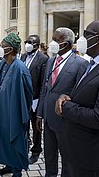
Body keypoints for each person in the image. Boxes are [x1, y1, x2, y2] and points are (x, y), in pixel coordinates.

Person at [56, 20, 99, 177]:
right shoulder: (92, 64)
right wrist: (64, 97)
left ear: (98, 39)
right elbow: (81, 97)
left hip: (86, 154)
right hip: (73, 148)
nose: (81, 39)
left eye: (86, 34)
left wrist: (66, 107)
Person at [36, 27, 88, 177]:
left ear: (65, 43)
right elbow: (45, 90)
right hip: (48, 119)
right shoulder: (51, 61)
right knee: (49, 155)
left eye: (56, 40)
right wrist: (40, 114)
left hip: (66, 121)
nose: (52, 42)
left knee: (67, 159)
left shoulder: (80, 63)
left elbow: (80, 95)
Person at [0, 33, 33, 177]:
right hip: (2, 109)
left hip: (14, 112)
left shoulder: (20, 68)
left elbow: (28, 93)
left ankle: (17, 171)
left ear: (10, 49)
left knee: (14, 139)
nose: (0, 48)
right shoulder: (3, 64)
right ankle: (8, 165)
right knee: (3, 137)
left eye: (3, 47)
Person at [20, 35, 49, 164]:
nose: (27, 44)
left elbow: (43, 83)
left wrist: (41, 103)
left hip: (36, 99)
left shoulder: (43, 59)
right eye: (26, 42)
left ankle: (36, 150)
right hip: (23, 97)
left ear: (37, 45)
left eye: (30, 43)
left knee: (36, 126)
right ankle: (25, 144)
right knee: (23, 124)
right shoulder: (23, 56)